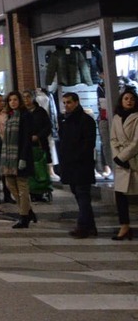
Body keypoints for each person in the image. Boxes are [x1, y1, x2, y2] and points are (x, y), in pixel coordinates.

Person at [56, 92, 97, 238]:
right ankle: (90, 226)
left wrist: (76, 157)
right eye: (65, 103)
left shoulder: (85, 120)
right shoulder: (65, 120)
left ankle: (83, 226)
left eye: (69, 102)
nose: (66, 105)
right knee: (79, 195)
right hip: (70, 165)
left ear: (76, 102)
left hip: (81, 164)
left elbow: (88, 143)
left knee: (82, 195)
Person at [0, 91, 36, 229]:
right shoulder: (9, 117)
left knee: (22, 187)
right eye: (10, 100)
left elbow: (26, 138)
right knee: (11, 186)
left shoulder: (25, 116)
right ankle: (28, 210)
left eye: (15, 99)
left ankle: (24, 217)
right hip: (8, 158)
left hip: (21, 156)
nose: (12, 102)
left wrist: (23, 157)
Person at [109, 89, 137, 241]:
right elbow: (113, 139)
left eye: (132, 98)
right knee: (120, 195)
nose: (129, 101)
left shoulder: (137, 117)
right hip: (121, 163)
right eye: (126, 98)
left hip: (134, 159)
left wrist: (124, 156)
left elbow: (136, 142)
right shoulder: (116, 118)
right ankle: (124, 226)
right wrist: (117, 157)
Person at [23, 90, 53, 201]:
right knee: (30, 171)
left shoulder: (41, 112)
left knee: (41, 169)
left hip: (40, 145)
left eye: (28, 97)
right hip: (27, 146)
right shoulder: (23, 113)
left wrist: (39, 136)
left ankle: (43, 191)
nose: (26, 99)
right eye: (24, 97)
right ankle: (33, 193)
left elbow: (48, 127)